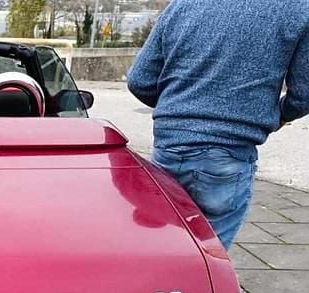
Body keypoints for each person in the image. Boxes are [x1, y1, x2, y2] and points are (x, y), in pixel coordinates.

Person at [126, 0, 309, 249]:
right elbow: (303, 95)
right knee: (207, 258)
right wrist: (280, 116)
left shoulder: (183, 5)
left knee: (164, 250)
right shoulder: (298, 8)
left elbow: (140, 80)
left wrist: (179, 108)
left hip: (169, 148)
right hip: (228, 153)